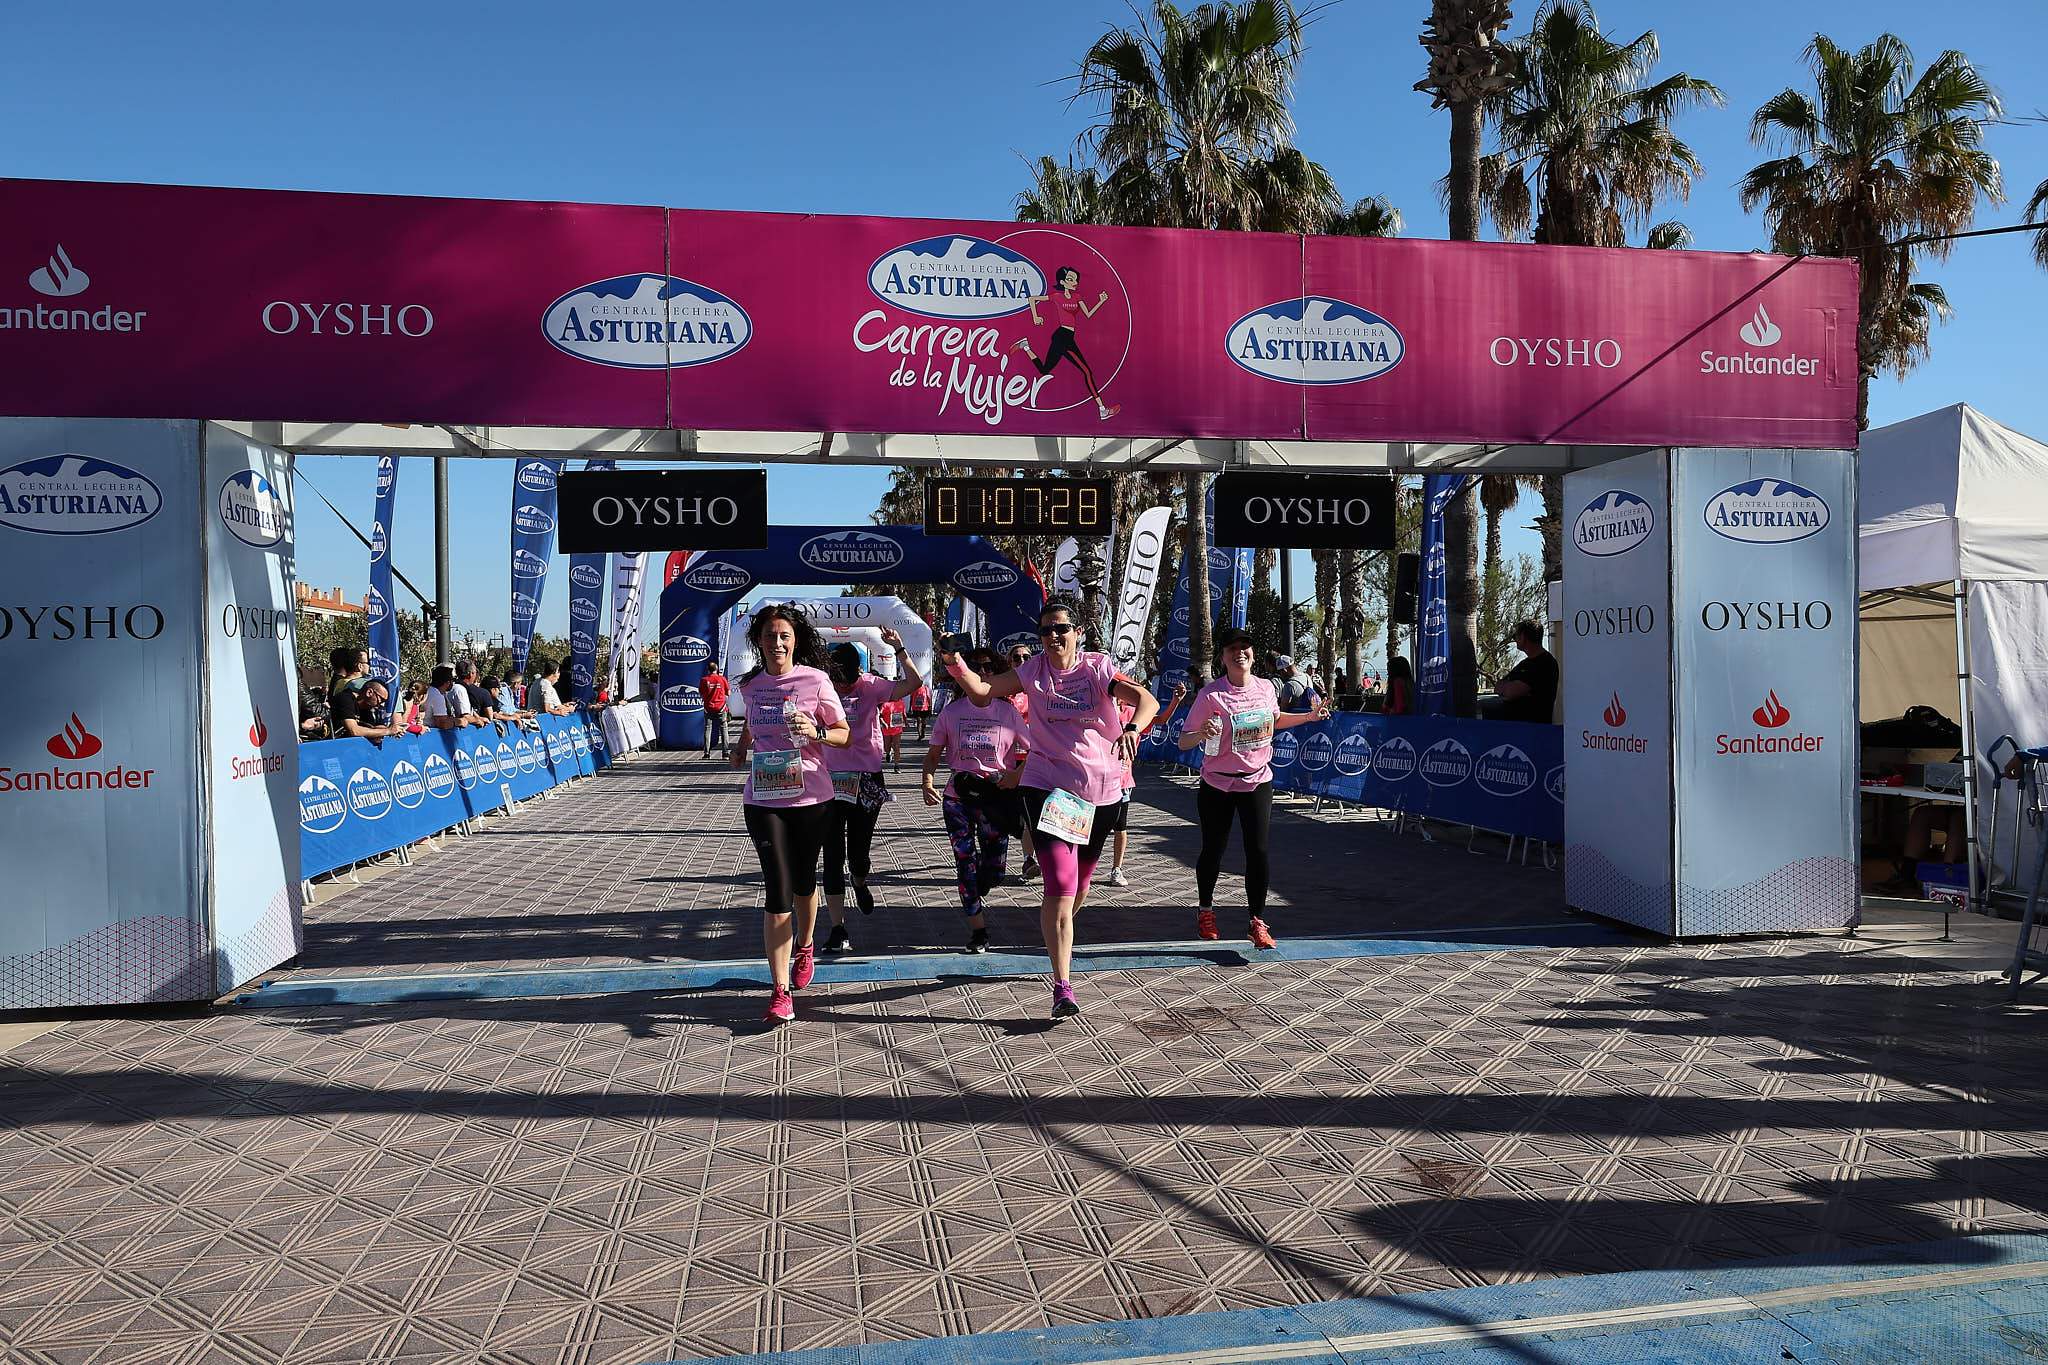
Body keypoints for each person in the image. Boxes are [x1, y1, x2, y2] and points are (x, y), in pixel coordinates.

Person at [944, 599, 1158, 1020]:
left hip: (1102, 793)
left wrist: (1132, 728)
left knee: (1077, 890)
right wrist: (955, 664)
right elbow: (985, 689)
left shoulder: (1097, 669)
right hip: (1049, 790)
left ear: (1077, 633)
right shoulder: (1032, 671)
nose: (1054, 637)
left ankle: (1057, 929)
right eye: (1045, 631)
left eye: (1061, 629)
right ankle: (1062, 985)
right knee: (1059, 886)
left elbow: (1144, 699)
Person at [729, 604, 851, 1024]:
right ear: (758, 641)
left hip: (812, 798)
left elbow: (843, 733)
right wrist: (742, 747)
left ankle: (805, 946)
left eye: (783, 635)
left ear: (795, 639)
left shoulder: (816, 681)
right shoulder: (750, 686)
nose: (776, 643)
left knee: (804, 883)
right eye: (768, 636)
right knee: (778, 890)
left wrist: (816, 732)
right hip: (763, 800)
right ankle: (780, 991)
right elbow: (753, 723)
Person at [1179, 628, 1333, 947]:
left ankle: (1257, 921)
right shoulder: (1211, 695)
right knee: (1213, 850)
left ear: (1252, 654)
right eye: (1233, 648)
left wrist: (1309, 717)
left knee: (1258, 851)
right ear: (1223, 657)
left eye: (1246, 648)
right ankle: (1206, 911)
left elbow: (1274, 719)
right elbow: (1184, 741)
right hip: (1218, 784)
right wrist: (1201, 733)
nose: (1240, 653)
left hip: (1257, 781)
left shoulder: (1265, 688)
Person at [819, 628, 923, 954]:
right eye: (839, 681)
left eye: (848, 681)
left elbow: (914, 684)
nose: (843, 687)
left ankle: (860, 880)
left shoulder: (871, 685)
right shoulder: (822, 687)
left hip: (867, 777)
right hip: (830, 779)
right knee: (832, 855)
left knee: (858, 852)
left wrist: (900, 649)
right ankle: (837, 927)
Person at [922, 647, 1029, 953]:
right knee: (964, 863)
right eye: (976, 666)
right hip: (958, 798)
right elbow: (932, 755)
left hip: (995, 799)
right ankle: (978, 931)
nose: (982, 673)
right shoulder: (952, 712)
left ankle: (978, 885)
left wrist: (1016, 775)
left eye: (988, 667)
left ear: (997, 674)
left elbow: (1035, 748)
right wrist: (927, 780)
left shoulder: (1008, 713)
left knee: (994, 872)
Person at [1100, 679, 1186, 889]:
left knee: (1120, 827)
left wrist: (1175, 700)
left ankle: (1116, 869)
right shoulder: (1100, 711)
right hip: (1097, 781)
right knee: (1095, 828)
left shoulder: (1132, 714)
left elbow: (1161, 719)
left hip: (1122, 781)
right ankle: (1080, 867)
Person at [1013, 267, 1120, 422]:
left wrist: (1101, 301)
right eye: (1070, 279)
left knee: (1044, 370)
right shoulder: (1057, 296)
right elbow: (1032, 299)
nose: (1074, 282)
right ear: (1062, 282)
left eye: (1075, 279)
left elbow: (1088, 314)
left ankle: (1025, 346)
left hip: (1067, 337)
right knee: (1087, 372)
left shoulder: (1077, 297)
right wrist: (1035, 316)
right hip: (1062, 337)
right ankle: (1102, 409)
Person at [1005, 642, 1040, 881]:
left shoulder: (1041, 691)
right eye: (1016, 658)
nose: (1022, 661)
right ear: (1010, 664)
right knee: (1010, 817)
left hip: (1037, 761)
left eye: (1027, 657)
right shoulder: (1002, 694)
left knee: (1032, 815)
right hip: (1008, 764)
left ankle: (1030, 860)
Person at [1495, 621, 1558, 723]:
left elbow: (1512, 692)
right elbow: (1498, 686)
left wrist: (1507, 688)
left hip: (1534, 729)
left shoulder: (1545, 663)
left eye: (1515, 636)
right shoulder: (1524, 664)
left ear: (1523, 637)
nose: (1514, 639)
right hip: (1515, 728)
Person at [330, 676, 399, 741]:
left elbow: (370, 729)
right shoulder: (345, 699)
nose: (382, 705)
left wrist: (392, 729)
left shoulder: (367, 709)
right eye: (381, 699)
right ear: (369, 692)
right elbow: (354, 731)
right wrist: (388, 731)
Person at [422, 664, 478, 730]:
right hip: (430, 736)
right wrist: (459, 722)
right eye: (453, 680)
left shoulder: (430, 691)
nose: (454, 683)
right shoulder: (437, 696)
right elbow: (442, 723)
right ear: (448, 682)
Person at [700, 663, 731, 758]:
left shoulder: (704, 680)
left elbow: (701, 693)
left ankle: (707, 753)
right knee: (724, 729)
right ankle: (725, 753)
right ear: (717, 669)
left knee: (707, 729)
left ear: (708, 670)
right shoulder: (722, 679)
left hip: (708, 708)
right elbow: (728, 693)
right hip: (721, 708)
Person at [880, 694, 907, 772]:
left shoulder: (901, 702)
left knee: (896, 746)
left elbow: (903, 713)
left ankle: (896, 765)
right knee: (886, 746)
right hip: (887, 729)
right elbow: (880, 715)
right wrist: (883, 723)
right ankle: (888, 753)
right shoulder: (885, 703)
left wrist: (906, 722)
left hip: (897, 728)